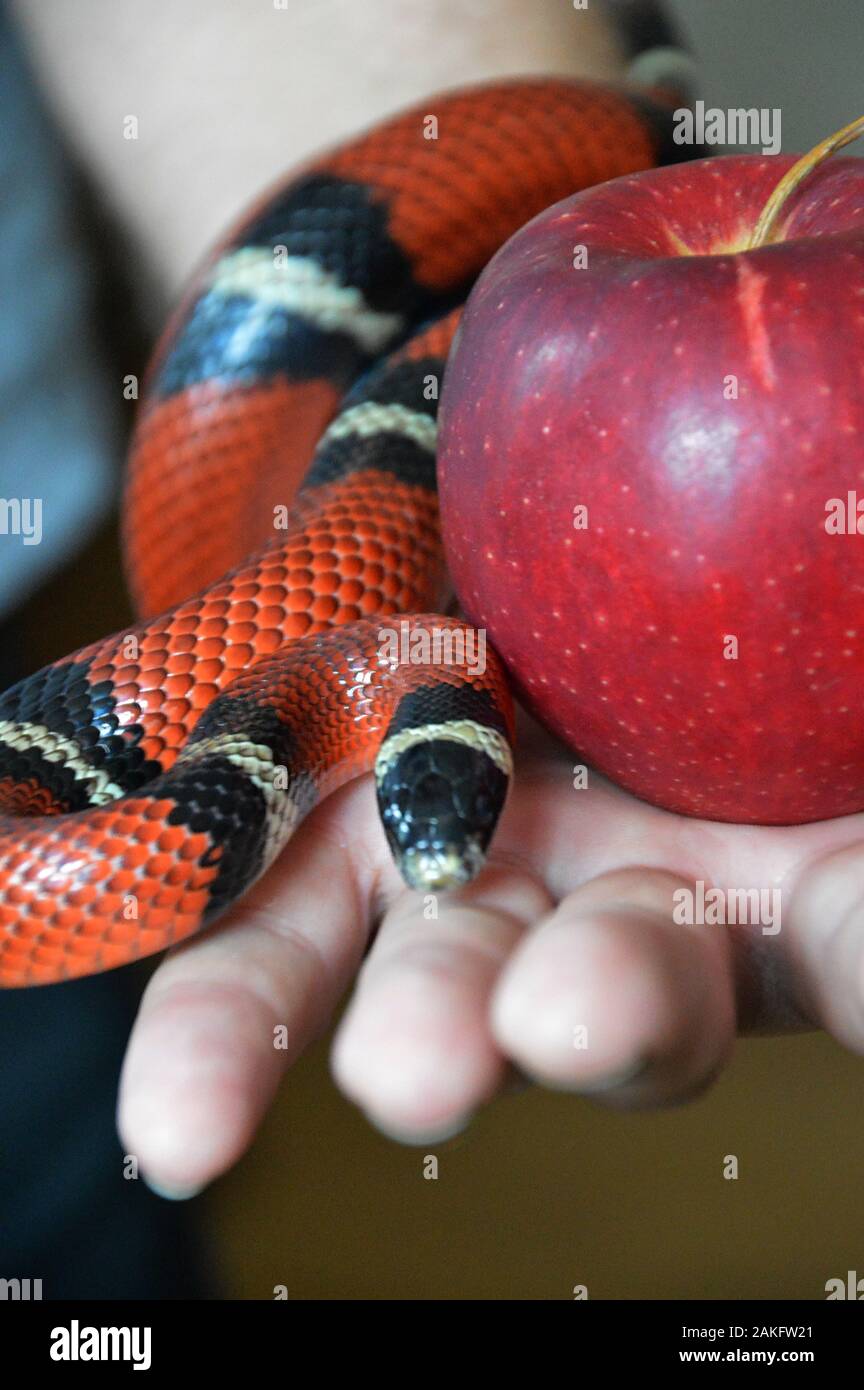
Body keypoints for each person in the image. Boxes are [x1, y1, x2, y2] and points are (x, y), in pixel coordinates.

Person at [5, 0, 864, 1230]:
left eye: (431, 822)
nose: (444, 856)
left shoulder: (358, 658)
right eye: (436, 820)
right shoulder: (356, 662)